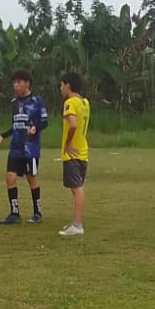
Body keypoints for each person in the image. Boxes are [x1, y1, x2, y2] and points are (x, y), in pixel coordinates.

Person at [0, 70, 47, 223]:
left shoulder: (37, 101)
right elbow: (15, 125)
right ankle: (14, 213)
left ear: (27, 83)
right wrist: (3, 136)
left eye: (19, 82)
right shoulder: (14, 102)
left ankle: (37, 213)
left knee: (31, 177)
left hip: (30, 148)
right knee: (10, 177)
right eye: (14, 82)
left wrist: (35, 128)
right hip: (15, 148)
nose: (16, 85)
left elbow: (45, 121)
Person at [58, 71, 90, 237]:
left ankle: (77, 225)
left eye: (62, 85)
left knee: (76, 189)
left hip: (72, 153)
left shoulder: (69, 103)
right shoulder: (84, 102)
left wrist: (68, 143)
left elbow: (72, 124)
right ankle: (76, 222)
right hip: (83, 151)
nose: (60, 88)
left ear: (68, 85)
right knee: (77, 187)